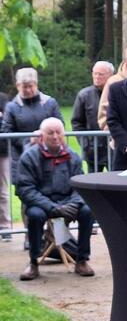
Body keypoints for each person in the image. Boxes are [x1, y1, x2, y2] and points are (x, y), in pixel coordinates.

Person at [15, 118, 94, 281]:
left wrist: (74, 203)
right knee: (35, 215)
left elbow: (79, 185)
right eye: (50, 133)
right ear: (42, 136)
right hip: (42, 203)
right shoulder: (29, 157)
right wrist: (52, 207)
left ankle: (82, 260)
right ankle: (33, 262)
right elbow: (25, 189)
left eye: (59, 132)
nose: (55, 136)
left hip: (67, 201)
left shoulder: (73, 156)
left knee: (87, 211)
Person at [1, 67, 63, 183]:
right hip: (21, 159)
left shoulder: (50, 103)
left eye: (31, 86)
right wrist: (29, 139)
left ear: (36, 84)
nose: (28, 90)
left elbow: (60, 125)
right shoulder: (11, 107)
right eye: (24, 87)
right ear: (17, 86)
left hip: (49, 157)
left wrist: (45, 136)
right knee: (26, 193)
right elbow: (6, 132)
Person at [72, 61, 114, 173]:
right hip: (93, 151)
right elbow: (77, 123)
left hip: (114, 149)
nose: (97, 77)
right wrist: (86, 144)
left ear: (110, 75)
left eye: (101, 74)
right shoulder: (84, 95)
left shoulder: (117, 93)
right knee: (93, 184)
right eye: (95, 73)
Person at [0, 89, 10, 241]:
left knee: (2, 190)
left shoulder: (3, 98)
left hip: (2, 151)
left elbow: (6, 122)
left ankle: (5, 226)